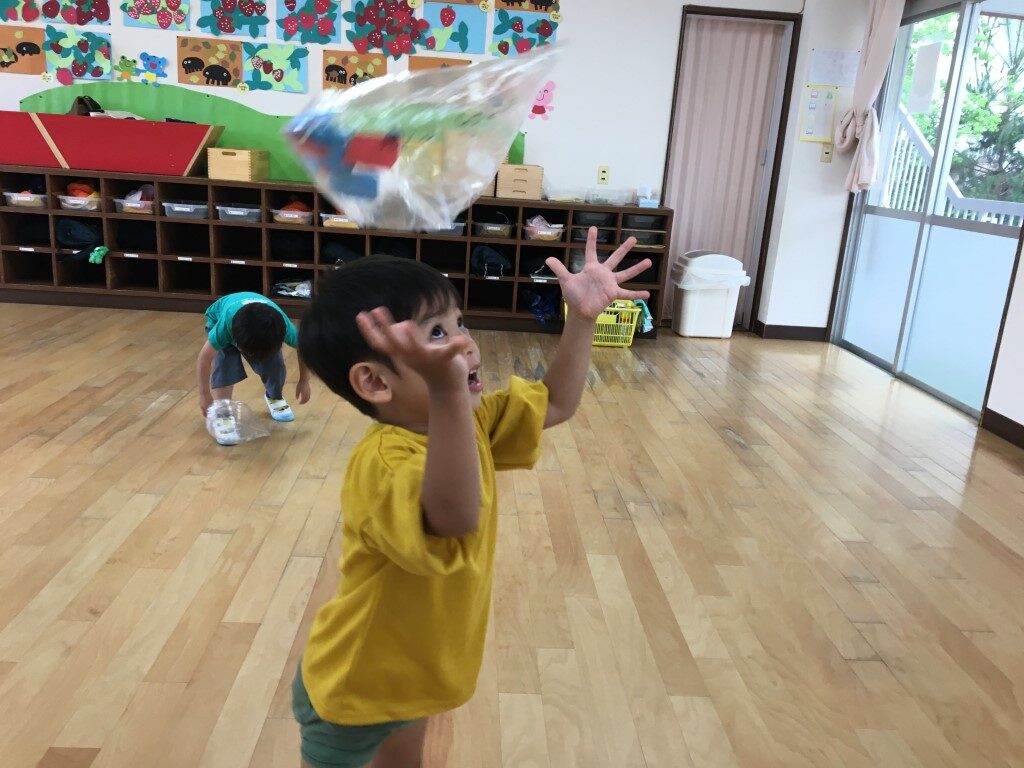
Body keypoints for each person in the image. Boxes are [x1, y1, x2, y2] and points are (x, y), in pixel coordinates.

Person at [293, 228, 650, 768]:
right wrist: (447, 391)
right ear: (375, 382)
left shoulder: (470, 420)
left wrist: (581, 320)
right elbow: (454, 517)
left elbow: (555, 404)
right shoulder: (385, 462)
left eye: (459, 322)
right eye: (436, 333)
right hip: (356, 682)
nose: (465, 342)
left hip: (414, 673)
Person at [196, 291, 311, 445]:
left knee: (274, 365)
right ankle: (223, 412)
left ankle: (274, 396)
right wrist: (204, 394)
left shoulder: (283, 327)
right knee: (225, 364)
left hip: (253, 322)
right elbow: (204, 358)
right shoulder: (224, 328)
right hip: (219, 318)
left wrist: (304, 380)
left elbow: (304, 349)